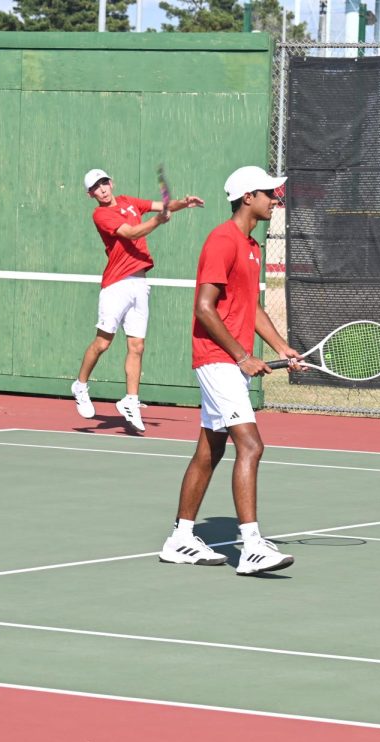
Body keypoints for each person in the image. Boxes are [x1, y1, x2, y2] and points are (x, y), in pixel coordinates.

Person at [161, 166, 302, 575]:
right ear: (247, 198)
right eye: (269, 194)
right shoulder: (222, 241)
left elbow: (249, 307)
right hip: (217, 359)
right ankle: (252, 547)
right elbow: (205, 308)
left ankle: (181, 538)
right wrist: (242, 355)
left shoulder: (252, 247)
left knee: (212, 447)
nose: (276, 200)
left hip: (228, 362)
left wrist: (281, 347)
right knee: (252, 445)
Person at [71, 168, 204, 432]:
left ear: (112, 182)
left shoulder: (129, 201)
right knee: (102, 343)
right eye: (96, 187)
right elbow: (131, 233)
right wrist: (158, 221)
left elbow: (162, 205)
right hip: (116, 285)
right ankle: (81, 384)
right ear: (91, 194)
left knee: (137, 346)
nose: (103, 189)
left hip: (140, 283)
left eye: (105, 182)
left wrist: (182, 204)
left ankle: (131, 400)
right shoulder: (101, 214)